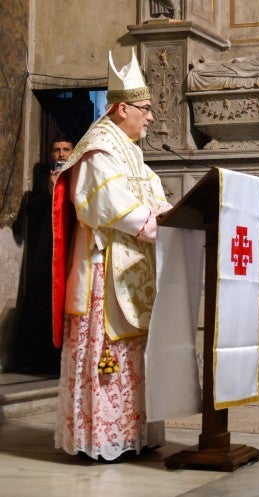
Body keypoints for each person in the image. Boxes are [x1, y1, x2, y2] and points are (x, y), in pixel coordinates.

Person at [51, 48, 172, 462]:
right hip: (104, 271)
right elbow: (108, 206)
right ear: (122, 109)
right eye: (146, 108)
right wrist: (160, 227)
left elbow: (156, 198)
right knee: (106, 351)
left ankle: (134, 432)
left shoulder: (132, 152)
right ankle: (101, 438)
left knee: (135, 350)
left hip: (134, 263)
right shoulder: (99, 149)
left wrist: (179, 219)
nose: (151, 117)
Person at [11, 136, 74, 374]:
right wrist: (50, 189)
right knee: (42, 296)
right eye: (56, 150)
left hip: (70, 245)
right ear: (50, 154)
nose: (61, 154)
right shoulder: (42, 179)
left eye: (66, 149)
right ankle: (39, 359)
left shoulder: (78, 176)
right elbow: (30, 210)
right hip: (45, 249)